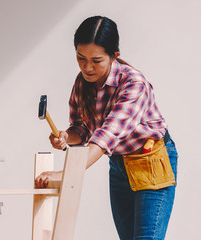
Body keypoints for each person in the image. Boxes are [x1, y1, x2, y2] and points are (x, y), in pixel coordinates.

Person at [35, 16, 178, 240]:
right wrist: (66, 136)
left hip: (151, 161)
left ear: (114, 56)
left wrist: (66, 174)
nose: (87, 67)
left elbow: (106, 137)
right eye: (81, 58)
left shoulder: (133, 83)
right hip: (119, 164)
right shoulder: (82, 83)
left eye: (96, 60)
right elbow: (82, 129)